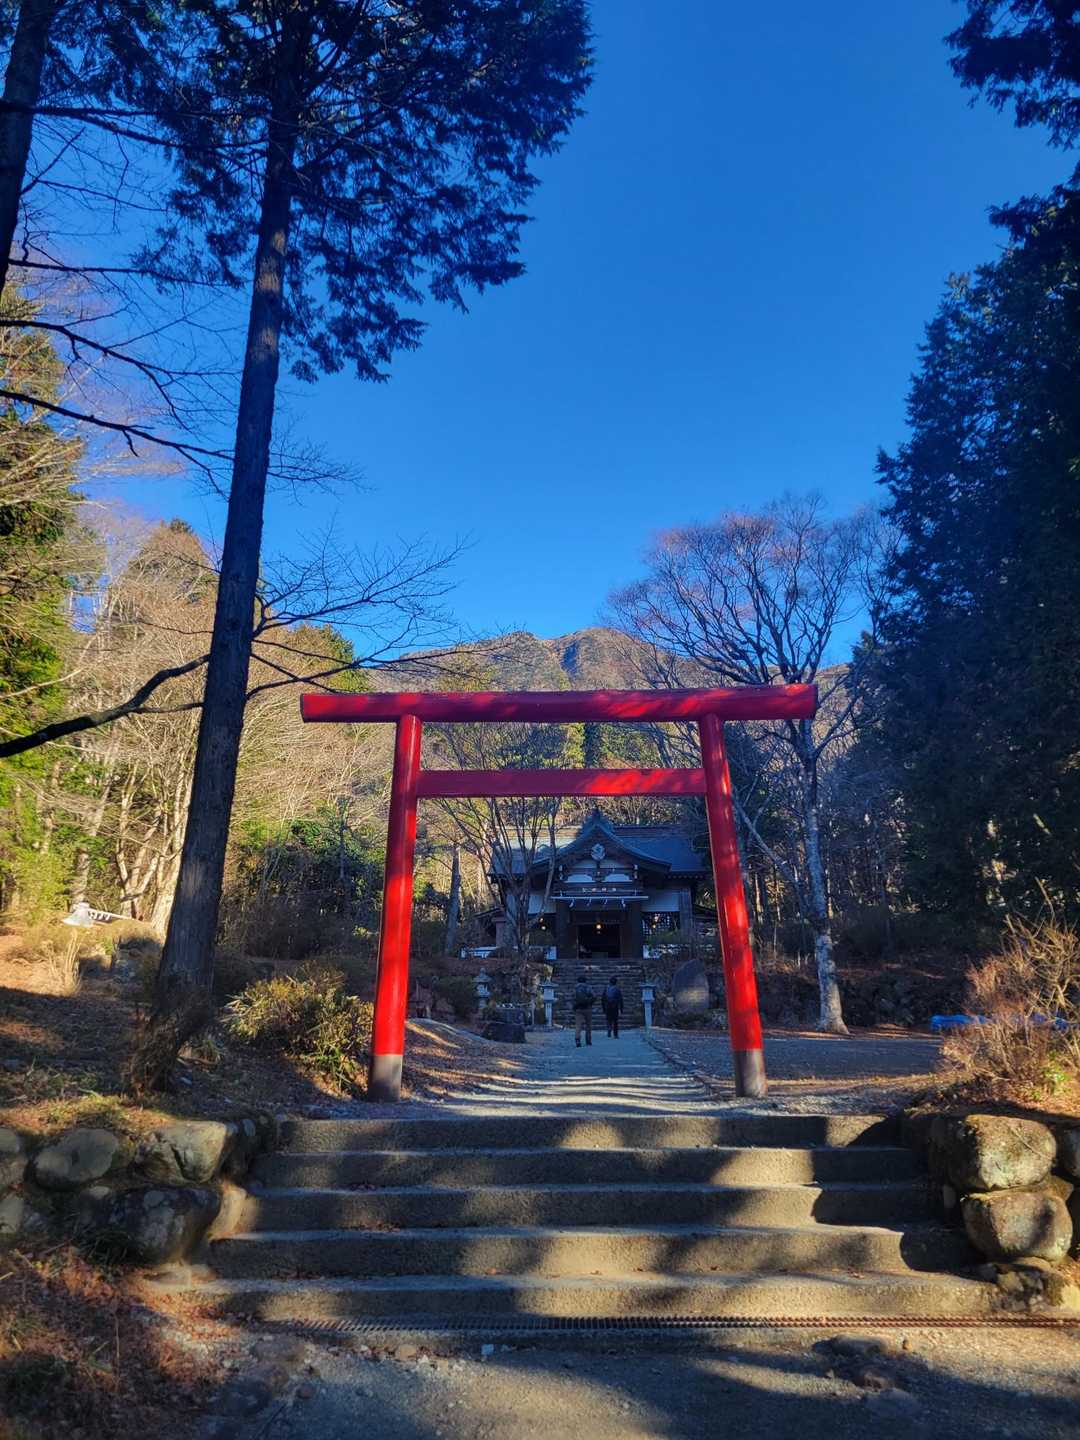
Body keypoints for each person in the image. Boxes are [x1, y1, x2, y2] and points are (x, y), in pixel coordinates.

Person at [572, 974, 595, 1047]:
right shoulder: (588, 987)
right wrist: (590, 1002)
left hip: (578, 1008)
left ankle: (577, 1039)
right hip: (588, 1008)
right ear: (585, 981)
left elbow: (573, 998)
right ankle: (588, 1040)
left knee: (578, 1025)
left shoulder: (575, 988)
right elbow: (594, 996)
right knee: (588, 1025)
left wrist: (574, 1006)